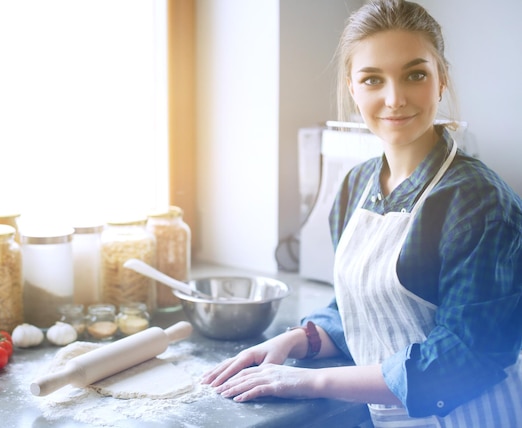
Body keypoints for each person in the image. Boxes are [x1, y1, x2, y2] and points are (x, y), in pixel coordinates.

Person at [201, 1, 522, 426]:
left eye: (415, 74)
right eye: (373, 79)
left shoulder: (478, 202)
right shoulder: (357, 184)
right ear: (352, 88)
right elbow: (360, 309)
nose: (394, 98)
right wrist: (298, 339)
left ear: (441, 79)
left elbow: (467, 357)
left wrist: (310, 382)